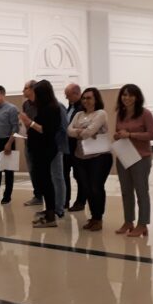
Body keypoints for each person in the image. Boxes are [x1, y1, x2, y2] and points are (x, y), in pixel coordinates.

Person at [113, 84, 153, 237]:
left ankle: (142, 224)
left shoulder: (145, 114)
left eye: (130, 95)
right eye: (124, 94)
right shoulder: (120, 113)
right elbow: (118, 132)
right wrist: (118, 135)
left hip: (141, 158)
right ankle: (128, 221)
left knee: (141, 192)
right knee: (126, 192)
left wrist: (131, 135)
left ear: (137, 97)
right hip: (124, 156)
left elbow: (152, 135)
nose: (127, 98)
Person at [66, 87, 111, 231]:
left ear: (96, 99)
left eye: (89, 98)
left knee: (96, 187)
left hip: (99, 157)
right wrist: (83, 131)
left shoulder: (101, 113)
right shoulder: (79, 114)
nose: (86, 100)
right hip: (80, 156)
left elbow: (89, 132)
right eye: (84, 98)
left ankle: (98, 218)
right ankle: (93, 217)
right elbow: (68, 131)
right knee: (87, 188)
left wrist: (80, 131)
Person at [19, 80, 60, 227]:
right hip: (38, 149)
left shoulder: (51, 108)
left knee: (47, 182)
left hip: (45, 149)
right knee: (43, 181)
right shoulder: (44, 107)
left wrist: (29, 122)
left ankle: (51, 216)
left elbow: (46, 130)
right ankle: (49, 211)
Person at [64, 83, 86, 211]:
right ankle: (65, 200)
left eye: (68, 95)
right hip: (67, 146)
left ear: (77, 94)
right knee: (64, 173)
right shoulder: (70, 107)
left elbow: (78, 128)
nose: (66, 98)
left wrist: (72, 131)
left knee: (79, 175)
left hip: (77, 146)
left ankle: (80, 201)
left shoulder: (83, 108)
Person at [21, 80, 43, 206]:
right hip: (28, 141)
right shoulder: (25, 104)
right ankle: (37, 195)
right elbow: (25, 123)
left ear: (33, 89)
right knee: (32, 169)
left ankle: (49, 197)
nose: (23, 91)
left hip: (40, 142)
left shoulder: (42, 104)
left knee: (42, 170)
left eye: (25, 88)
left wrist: (30, 123)